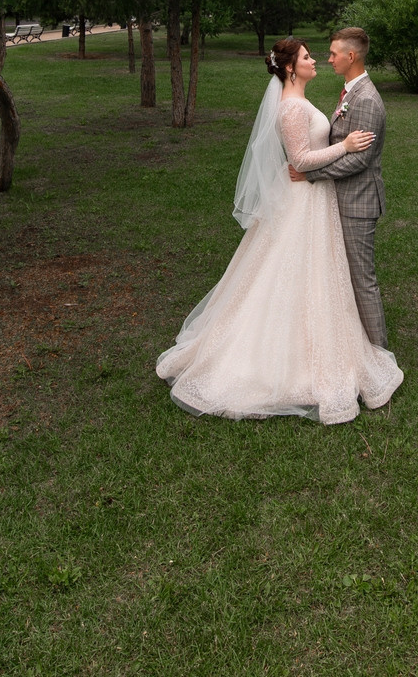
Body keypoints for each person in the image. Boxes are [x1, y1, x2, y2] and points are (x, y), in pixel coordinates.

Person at [155, 36, 403, 423]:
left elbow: (306, 161)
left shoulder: (302, 100)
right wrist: (345, 146)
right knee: (293, 274)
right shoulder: (290, 107)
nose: (316, 59)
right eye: (307, 57)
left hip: (315, 197)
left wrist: (330, 157)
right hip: (304, 199)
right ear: (290, 67)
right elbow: (301, 159)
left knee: (318, 274)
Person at [290, 27, 390, 347]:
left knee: (362, 281)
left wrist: (312, 175)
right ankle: (355, 346)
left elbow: (359, 161)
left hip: (359, 203)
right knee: (347, 279)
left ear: (351, 56)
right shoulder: (350, 92)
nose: (328, 58)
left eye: (333, 54)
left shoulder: (368, 100)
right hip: (344, 199)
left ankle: (379, 355)